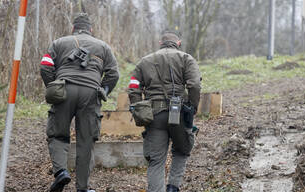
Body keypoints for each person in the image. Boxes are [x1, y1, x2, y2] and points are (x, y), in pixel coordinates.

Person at [40, 13, 119, 192]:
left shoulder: (59, 42)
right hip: (91, 93)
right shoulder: (103, 46)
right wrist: (103, 91)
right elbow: (114, 74)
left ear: (73, 29)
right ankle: (82, 188)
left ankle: (61, 172)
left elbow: (45, 65)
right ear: (91, 30)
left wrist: (54, 86)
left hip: (64, 90)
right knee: (86, 141)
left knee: (58, 134)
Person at [128, 31, 201, 192]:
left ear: (160, 43)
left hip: (154, 115)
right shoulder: (186, 58)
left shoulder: (144, 61)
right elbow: (194, 85)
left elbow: (133, 87)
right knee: (182, 150)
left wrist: (139, 109)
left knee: (156, 161)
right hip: (180, 112)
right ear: (178, 43)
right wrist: (193, 107)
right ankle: (173, 187)